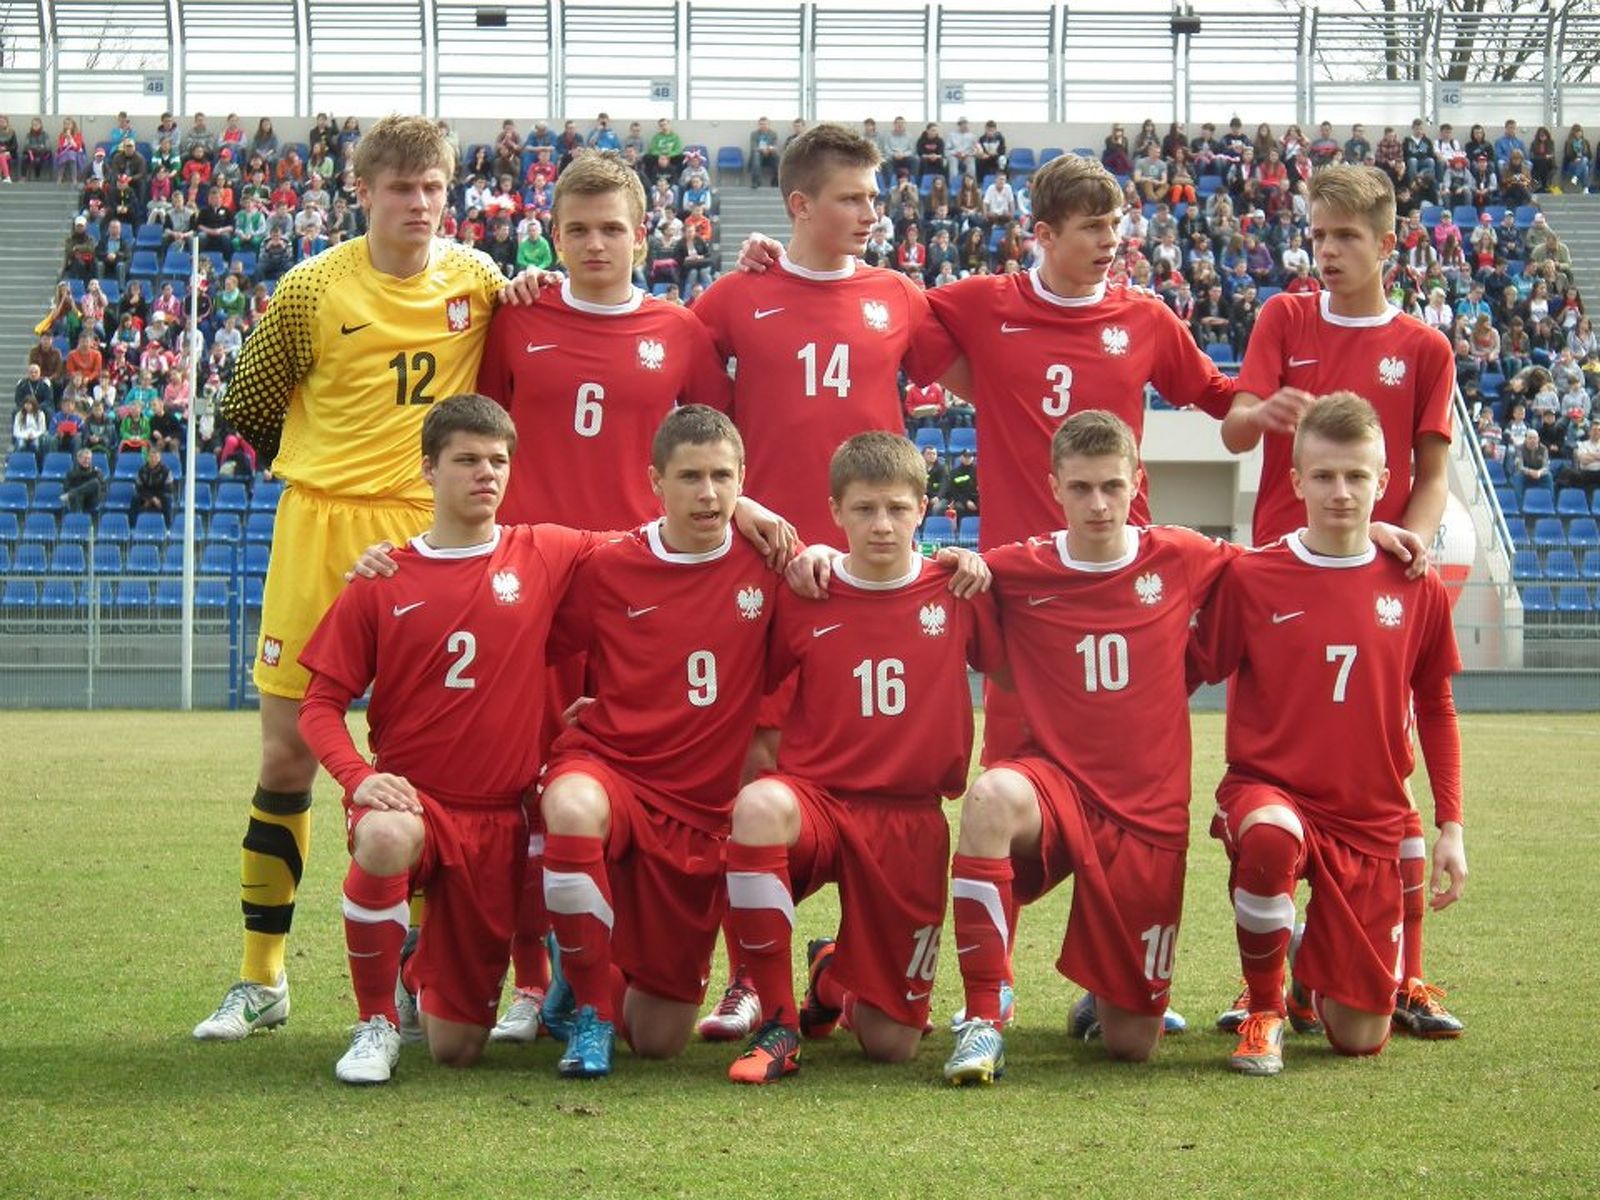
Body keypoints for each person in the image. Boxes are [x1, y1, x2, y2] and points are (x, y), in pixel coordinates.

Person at [193, 115, 514, 1043]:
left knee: (424, 763)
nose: (419, 205)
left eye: (434, 190)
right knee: (288, 754)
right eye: (401, 188)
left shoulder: (481, 281)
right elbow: (244, 406)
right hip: (320, 527)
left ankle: (416, 975)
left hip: (423, 535)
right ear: (363, 193)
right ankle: (262, 978)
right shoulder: (311, 289)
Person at [471, 152, 736, 1041]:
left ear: (644, 233)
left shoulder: (684, 332)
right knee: (519, 781)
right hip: (534, 584)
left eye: (612, 227)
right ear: (552, 235)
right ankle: (528, 979)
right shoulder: (516, 320)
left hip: (641, 591)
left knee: (628, 783)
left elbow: (717, 455)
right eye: (577, 229)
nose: (595, 243)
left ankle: (609, 971)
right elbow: (478, 441)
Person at [298, 395, 617, 1084]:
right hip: (416, 802)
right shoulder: (382, 579)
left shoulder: (546, 550)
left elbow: (656, 546)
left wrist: (745, 509)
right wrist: (359, 778)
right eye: (467, 460)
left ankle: (418, 966)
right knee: (384, 837)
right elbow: (320, 703)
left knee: (458, 1048)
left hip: (498, 816)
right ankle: (374, 1023)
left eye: (498, 460)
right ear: (427, 470)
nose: (486, 474)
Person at [1220, 162, 1463, 1037]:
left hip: (1376, 575)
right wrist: (1264, 413)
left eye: (1345, 236)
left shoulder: (1425, 348)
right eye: (1317, 234)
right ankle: (1264, 987)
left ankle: (1396, 975)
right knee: (1279, 776)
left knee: (1381, 771)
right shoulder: (1284, 317)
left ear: (1388, 243)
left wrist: (1416, 541)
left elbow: (1431, 471)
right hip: (1284, 578)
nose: (1326, 251)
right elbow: (1233, 425)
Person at [1190, 392, 1466, 1077]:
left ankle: (1314, 965)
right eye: (1323, 476)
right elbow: (1187, 674)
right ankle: (1265, 1009)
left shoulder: (1415, 584)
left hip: (1368, 813)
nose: (1340, 492)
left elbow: (1435, 703)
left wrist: (1451, 825)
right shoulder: (1252, 577)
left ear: (1383, 482)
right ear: (1295, 481)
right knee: (1269, 837)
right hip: (1269, 789)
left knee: (1361, 1036)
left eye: (1356, 476)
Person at [722, 433, 1001, 1084]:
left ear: (925, 508)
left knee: (892, 1044)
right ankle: (780, 1024)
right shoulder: (805, 589)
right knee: (758, 807)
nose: (882, 524)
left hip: (909, 819)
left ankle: (833, 978)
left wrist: (981, 565)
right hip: (818, 801)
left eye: (898, 509)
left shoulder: (957, 589)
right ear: (836, 511)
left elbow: (1022, 659)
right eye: (865, 509)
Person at [534, 406, 781, 1079]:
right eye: (690, 477)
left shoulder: (772, 564)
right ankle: (590, 1009)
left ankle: (583, 975)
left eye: (722, 477)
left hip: (698, 814)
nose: (708, 493)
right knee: (573, 807)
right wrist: (564, 716)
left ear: (743, 481)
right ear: (655, 482)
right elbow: (537, 646)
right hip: (612, 766)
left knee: (660, 1040)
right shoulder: (611, 563)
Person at [130, 444, 172, 520]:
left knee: (167, 499)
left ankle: (167, 527)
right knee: (135, 498)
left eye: (155, 457)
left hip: (160, 495)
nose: (153, 459)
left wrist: (156, 498)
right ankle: (132, 525)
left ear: (159, 458)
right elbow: (139, 488)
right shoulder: (141, 471)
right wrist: (151, 498)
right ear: (148, 458)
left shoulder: (166, 471)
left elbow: (168, 488)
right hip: (146, 495)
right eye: (151, 457)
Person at [61, 446, 104, 514]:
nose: (87, 461)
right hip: (77, 500)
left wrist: (73, 493)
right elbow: (66, 487)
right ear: (78, 459)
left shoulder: (96, 472)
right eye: (84, 458)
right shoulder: (72, 473)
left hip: (92, 500)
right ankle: (79, 521)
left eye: (89, 459)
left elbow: (102, 488)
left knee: (95, 482)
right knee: (77, 496)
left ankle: (73, 493)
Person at [749, 117, 780, 189]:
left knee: (776, 156)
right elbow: (753, 147)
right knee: (756, 155)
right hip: (758, 155)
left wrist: (769, 149)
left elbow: (775, 145)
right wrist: (762, 150)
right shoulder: (754, 134)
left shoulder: (773, 133)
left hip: (770, 155)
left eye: (765, 124)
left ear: (768, 124)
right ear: (758, 125)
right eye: (761, 124)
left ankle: (776, 180)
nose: (763, 126)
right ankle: (756, 182)